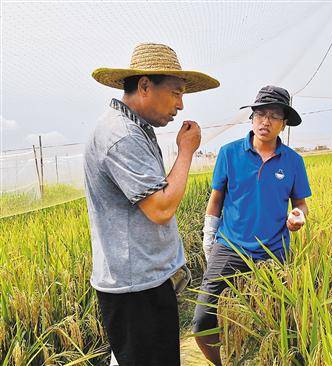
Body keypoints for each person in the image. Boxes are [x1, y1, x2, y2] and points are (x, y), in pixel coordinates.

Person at [84, 43, 219, 366]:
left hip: (143, 281)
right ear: (145, 86)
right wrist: (186, 150)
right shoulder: (122, 135)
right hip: (135, 289)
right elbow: (161, 207)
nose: (181, 105)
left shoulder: (136, 129)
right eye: (176, 92)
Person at [193, 85, 312, 365]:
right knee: (202, 320)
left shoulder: (294, 162)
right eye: (260, 114)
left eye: (274, 115)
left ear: (284, 124)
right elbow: (216, 199)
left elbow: (301, 203)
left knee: (276, 323)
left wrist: (298, 216)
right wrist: (209, 237)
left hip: (273, 251)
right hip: (231, 246)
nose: (265, 121)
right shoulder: (229, 153)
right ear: (252, 118)